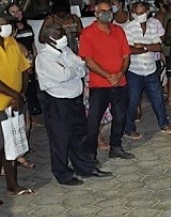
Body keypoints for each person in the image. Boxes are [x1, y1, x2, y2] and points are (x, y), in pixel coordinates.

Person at [36, 22, 112, 185]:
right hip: (58, 103)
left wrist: (72, 69)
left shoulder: (65, 51)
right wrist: (73, 69)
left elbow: (82, 67)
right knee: (61, 140)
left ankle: (85, 168)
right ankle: (63, 174)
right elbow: (63, 75)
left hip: (74, 100)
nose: (63, 37)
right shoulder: (44, 58)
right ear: (49, 39)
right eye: (58, 35)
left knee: (79, 136)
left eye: (62, 33)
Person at [78, 1, 135, 160]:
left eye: (109, 10)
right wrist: (108, 75)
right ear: (96, 14)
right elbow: (88, 60)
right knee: (94, 121)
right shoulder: (88, 33)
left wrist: (119, 74)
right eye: (103, 11)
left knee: (121, 116)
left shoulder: (118, 31)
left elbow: (126, 56)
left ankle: (115, 146)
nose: (107, 13)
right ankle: (90, 154)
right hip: (100, 84)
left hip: (120, 82)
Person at [124, 2, 171, 137]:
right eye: (138, 13)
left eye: (142, 13)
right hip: (134, 70)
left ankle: (163, 124)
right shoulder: (128, 28)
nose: (140, 16)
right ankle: (129, 128)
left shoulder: (153, 26)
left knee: (158, 99)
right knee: (133, 101)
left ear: (147, 12)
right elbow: (129, 50)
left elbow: (158, 46)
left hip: (151, 69)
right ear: (133, 13)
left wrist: (143, 47)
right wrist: (148, 47)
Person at [0, 13, 34, 197]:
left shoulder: (12, 43)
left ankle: (12, 185)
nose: (7, 27)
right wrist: (15, 95)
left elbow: (24, 70)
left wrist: (20, 95)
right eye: (3, 24)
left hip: (13, 105)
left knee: (10, 146)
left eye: (8, 24)